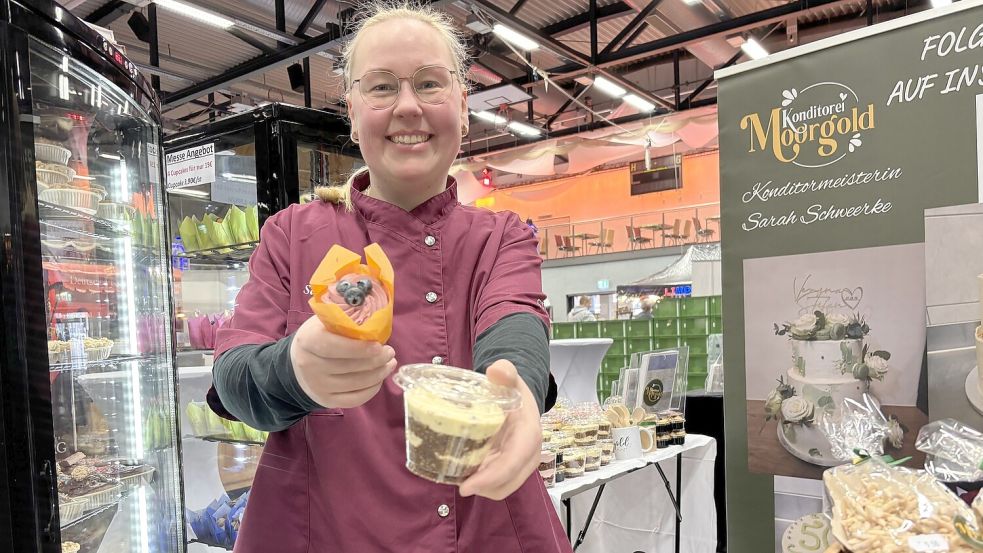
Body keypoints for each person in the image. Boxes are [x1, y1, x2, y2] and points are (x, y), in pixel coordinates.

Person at [205, 3, 570, 552]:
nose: (407, 107)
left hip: (487, 527)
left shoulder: (503, 236)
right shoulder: (291, 235)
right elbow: (235, 377)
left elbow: (514, 324)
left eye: (429, 83)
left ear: (463, 107)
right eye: (380, 88)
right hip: (323, 531)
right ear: (351, 112)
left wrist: (514, 392)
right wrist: (294, 371)